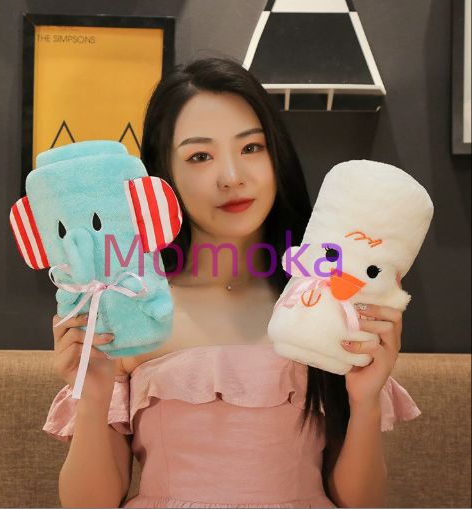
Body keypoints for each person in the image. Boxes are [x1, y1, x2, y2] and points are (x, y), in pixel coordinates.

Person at [43, 56, 421, 508]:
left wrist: (366, 400)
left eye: (251, 147)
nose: (232, 177)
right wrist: (92, 394)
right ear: (163, 175)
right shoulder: (135, 310)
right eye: (200, 156)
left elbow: (361, 504)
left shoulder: (324, 310)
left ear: (277, 156)